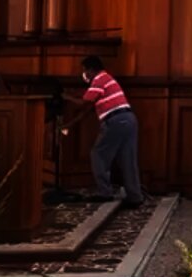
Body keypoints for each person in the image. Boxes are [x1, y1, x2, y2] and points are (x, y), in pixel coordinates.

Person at [61, 56, 144, 209]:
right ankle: (135, 196)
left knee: (98, 154)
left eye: (85, 70)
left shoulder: (99, 80)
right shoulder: (107, 79)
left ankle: (105, 192)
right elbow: (87, 111)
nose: (84, 74)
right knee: (128, 159)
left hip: (115, 121)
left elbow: (84, 103)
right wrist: (69, 126)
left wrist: (66, 96)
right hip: (128, 119)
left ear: (91, 69)